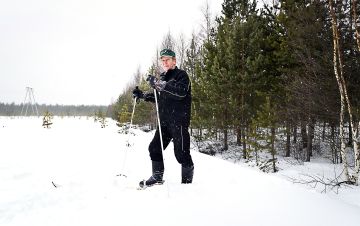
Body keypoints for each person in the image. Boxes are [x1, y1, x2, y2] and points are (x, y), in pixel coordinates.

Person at [132, 48, 194, 188]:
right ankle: (157, 177)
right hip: (165, 122)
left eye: (167, 60)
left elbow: (180, 93)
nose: (165, 62)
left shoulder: (182, 76)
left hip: (178, 121)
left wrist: (159, 84)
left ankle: (187, 184)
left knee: (181, 154)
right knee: (154, 148)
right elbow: (159, 97)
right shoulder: (163, 77)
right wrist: (141, 95)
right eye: (163, 60)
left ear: (174, 61)